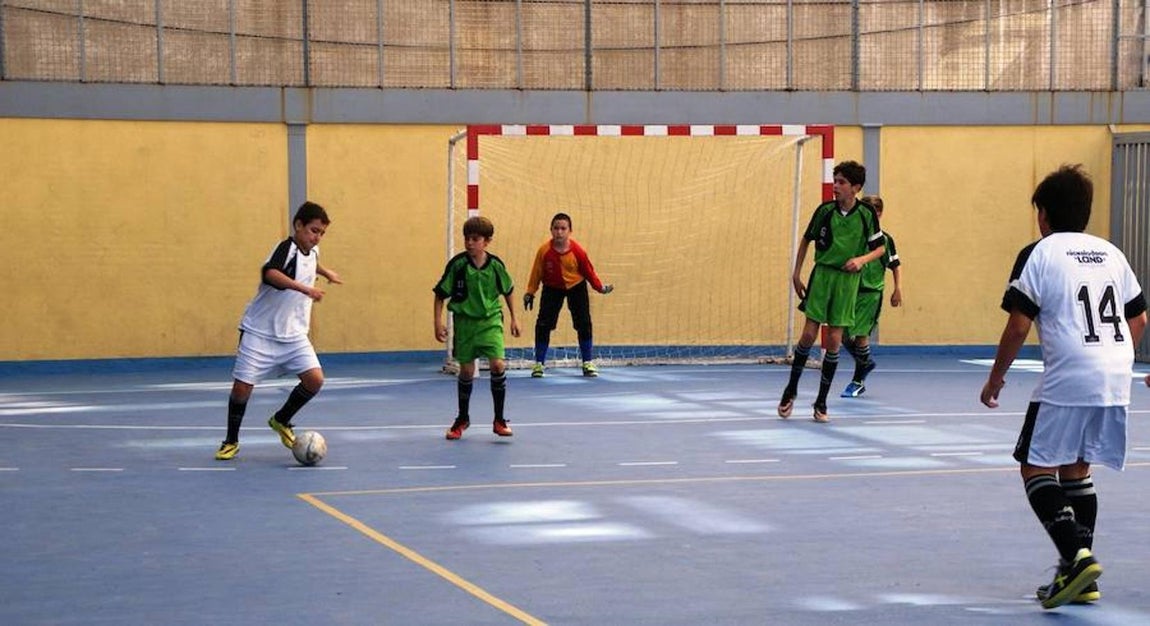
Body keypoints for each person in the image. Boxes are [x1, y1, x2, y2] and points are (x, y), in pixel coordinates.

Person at [979, 164, 1146, 610]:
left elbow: (1018, 325)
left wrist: (996, 377)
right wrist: (1117, 359)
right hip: (1116, 373)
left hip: (1071, 373)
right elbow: (1140, 318)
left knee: (1034, 468)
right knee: (1077, 469)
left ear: (1044, 215)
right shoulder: (1111, 253)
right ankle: (1077, 579)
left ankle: (1076, 557)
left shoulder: (1040, 252)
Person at [215, 201, 342, 460]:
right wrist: (306, 289)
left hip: (294, 333)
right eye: (313, 231)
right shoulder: (287, 248)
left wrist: (325, 271)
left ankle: (281, 420)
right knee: (241, 388)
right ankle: (231, 441)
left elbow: (310, 263)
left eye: (321, 233)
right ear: (298, 225)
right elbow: (270, 273)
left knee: (315, 380)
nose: (316, 238)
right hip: (260, 331)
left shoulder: (312, 252)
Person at [778, 160, 885, 422]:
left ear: (855, 188)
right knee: (808, 334)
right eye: (835, 181)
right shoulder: (825, 210)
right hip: (823, 275)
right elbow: (806, 239)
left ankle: (821, 402)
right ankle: (790, 390)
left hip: (847, 282)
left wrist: (861, 260)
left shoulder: (866, 215)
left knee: (834, 340)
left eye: (842, 183)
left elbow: (880, 248)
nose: (836, 187)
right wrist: (796, 272)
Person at [434, 215, 522, 440]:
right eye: (467, 238)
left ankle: (499, 420)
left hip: (490, 321)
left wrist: (514, 318)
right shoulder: (458, 265)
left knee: (497, 363)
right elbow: (440, 295)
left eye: (475, 239)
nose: (470, 243)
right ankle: (463, 418)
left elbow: (509, 290)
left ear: (487, 241)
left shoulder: (496, 266)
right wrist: (438, 322)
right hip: (465, 324)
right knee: (466, 371)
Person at [523, 212, 613, 378]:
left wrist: (599, 287)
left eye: (563, 228)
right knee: (543, 324)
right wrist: (530, 292)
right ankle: (539, 364)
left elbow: (589, 272)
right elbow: (536, 273)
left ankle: (587, 362)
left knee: (584, 322)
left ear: (570, 231)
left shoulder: (578, 251)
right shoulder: (544, 251)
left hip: (576, 287)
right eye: (556, 228)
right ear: (551, 230)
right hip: (551, 288)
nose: (559, 232)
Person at [841, 195, 903, 397]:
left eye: (872, 212)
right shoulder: (855, 236)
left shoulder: (884, 240)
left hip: (871, 294)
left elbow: (895, 265)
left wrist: (897, 288)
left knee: (861, 337)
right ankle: (865, 362)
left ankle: (857, 381)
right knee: (842, 335)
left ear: (879, 214)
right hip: (852, 291)